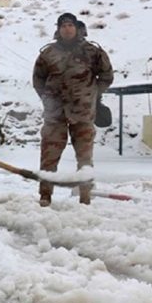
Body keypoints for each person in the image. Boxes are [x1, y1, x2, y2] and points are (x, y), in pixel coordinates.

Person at [32, 12, 114, 207]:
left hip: (83, 113)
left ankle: (85, 197)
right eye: (63, 26)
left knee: (85, 158)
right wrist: (47, 99)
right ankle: (45, 197)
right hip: (55, 115)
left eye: (70, 25)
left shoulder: (92, 51)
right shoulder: (47, 54)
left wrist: (92, 94)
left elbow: (106, 76)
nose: (67, 29)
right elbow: (38, 79)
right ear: (58, 30)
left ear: (77, 28)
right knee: (48, 157)